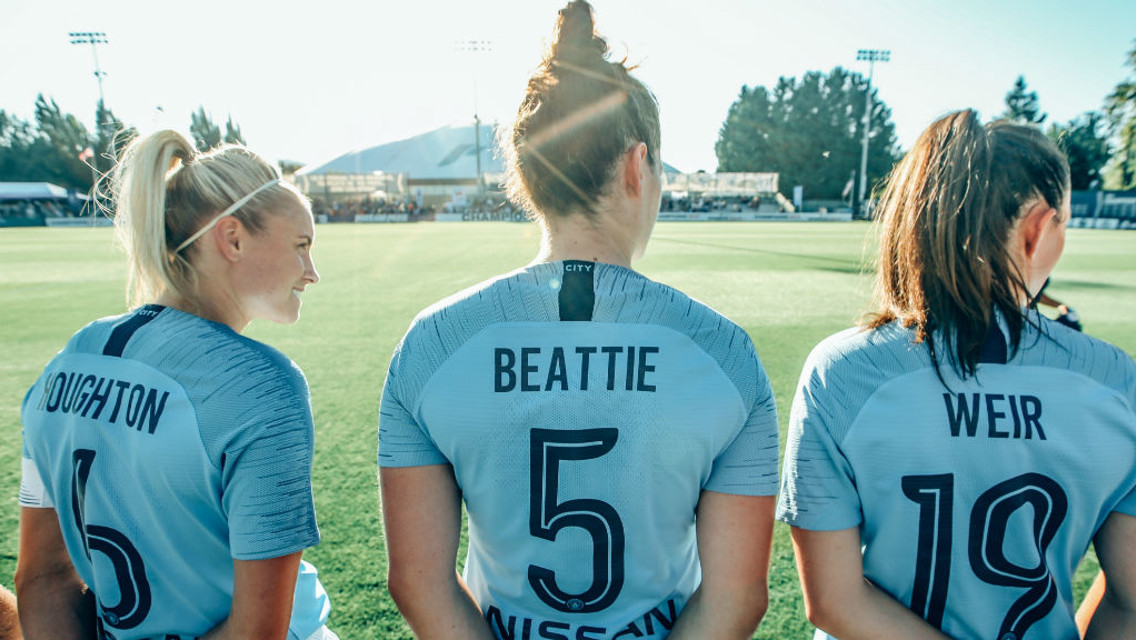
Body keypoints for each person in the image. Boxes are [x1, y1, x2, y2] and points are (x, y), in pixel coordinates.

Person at [377, 2, 779, 638]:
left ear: (527, 175)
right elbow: (735, 598)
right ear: (634, 166)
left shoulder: (432, 344)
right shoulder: (724, 353)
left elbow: (419, 582)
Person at [777, 109, 1136, 639]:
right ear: (1038, 228)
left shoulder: (843, 370)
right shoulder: (1114, 383)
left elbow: (834, 601)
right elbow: (1129, 603)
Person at [15, 130, 335, 640]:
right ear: (232, 239)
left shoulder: (62, 367)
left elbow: (45, 579)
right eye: (301, 246)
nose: (311, 272)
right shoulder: (264, 386)